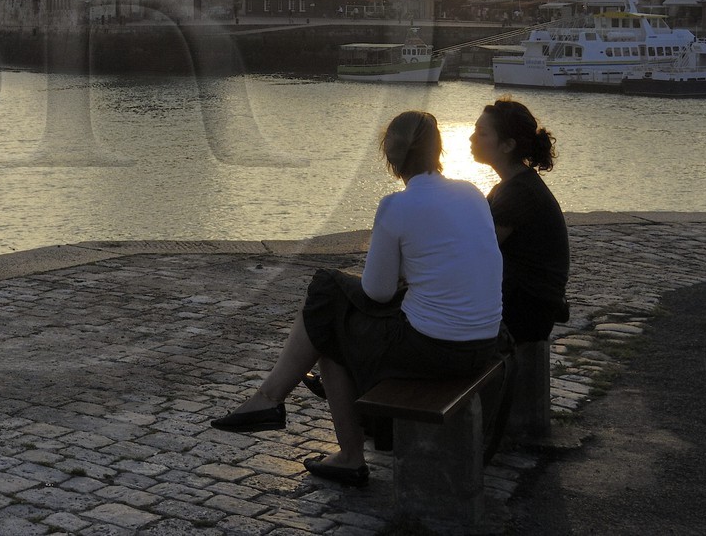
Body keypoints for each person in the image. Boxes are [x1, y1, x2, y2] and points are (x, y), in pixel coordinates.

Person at [210, 111, 504, 487]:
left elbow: (377, 292)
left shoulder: (397, 206)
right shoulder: (472, 193)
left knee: (326, 296)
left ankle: (290, 413)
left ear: (391, 159)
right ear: (438, 151)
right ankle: (275, 404)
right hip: (483, 343)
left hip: (436, 350)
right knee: (330, 321)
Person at [470, 98, 570, 343]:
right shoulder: (512, 185)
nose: (472, 139)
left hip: (526, 310)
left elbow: (480, 250)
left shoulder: (519, 192)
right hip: (522, 299)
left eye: (481, 133)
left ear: (507, 145)